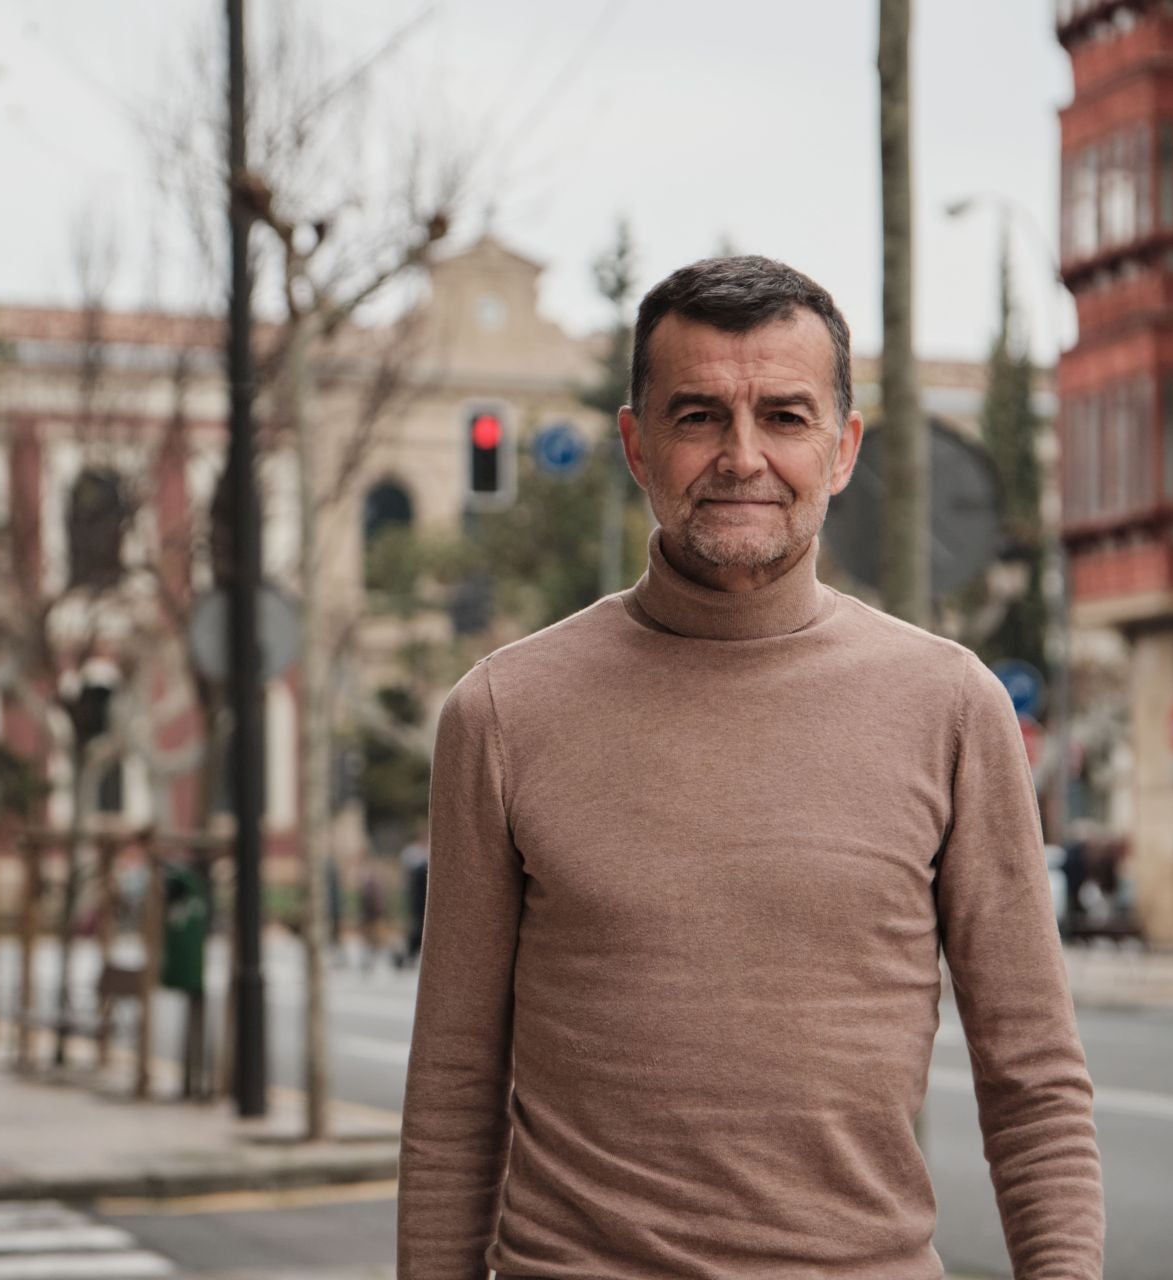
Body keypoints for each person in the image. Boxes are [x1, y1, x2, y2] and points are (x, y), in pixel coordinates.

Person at [397, 257, 1103, 1278]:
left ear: (844, 447)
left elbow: (1033, 1075)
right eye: (697, 416)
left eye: (784, 415)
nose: (742, 455)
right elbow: (455, 1085)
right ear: (637, 446)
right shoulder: (504, 713)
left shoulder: (952, 706)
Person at [398, 829, 429, 967]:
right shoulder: (414, 856)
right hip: (417, 900)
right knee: (417, 927)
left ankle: (411, 955)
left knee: (418, 928)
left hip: (421, 900)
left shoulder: (422, 858)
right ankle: (409, 956)